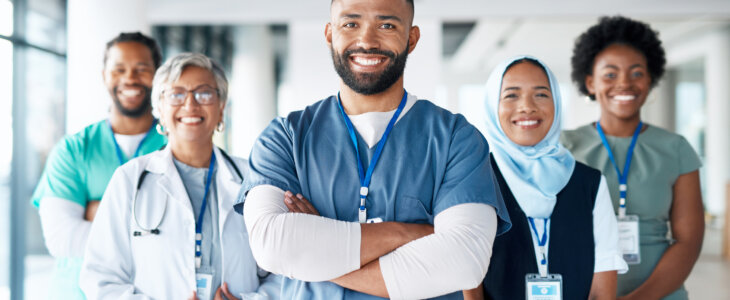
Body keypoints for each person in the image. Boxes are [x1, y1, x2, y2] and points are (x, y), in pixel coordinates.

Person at [237, 0, 511, 299]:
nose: (367, 40)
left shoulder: (456, 139)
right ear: (330, 33)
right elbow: (272, 246)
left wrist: (316, 254)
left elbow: (464, 263)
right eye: (350, 24)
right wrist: (408, 233)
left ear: (412, 38)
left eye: (387, 25)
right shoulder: (285, 138)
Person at [80, 53, 280, 300]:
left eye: (204, 93)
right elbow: (100, 278)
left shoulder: (253, 179)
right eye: (176, 94)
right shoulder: (129, 179)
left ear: (221, 108)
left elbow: (282, 269)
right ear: (160, 110)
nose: (190, 104)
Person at [561, 16, 704, 300]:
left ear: (650, 80)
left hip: (662, 294)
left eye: (637, 73)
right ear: (590, 83)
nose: (624, 83)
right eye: (610, 74)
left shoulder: (675, 148)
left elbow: (688, 242)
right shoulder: (565, 147)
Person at [462, 56, 627, 300]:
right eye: (511, 95)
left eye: (541, 94)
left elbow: (603, 284)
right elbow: (468, 277)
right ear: (492, 105)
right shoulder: (473, 180)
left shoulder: (589, 183)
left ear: (557, 103)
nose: (527, 106)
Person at [31, 32, 167, 299]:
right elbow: (63, 239)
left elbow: (192, 229)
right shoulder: (73, 150)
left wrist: (99, 211)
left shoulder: (176, 146)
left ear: (158, 76)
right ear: (104, 75)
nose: (130, 78)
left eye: (142, 69)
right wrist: (151, 228)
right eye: (119, 69)